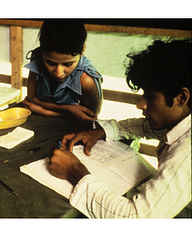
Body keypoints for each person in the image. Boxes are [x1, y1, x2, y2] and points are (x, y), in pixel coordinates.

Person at [48, 39, 191, 218]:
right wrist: (101, 132)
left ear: (181, 97)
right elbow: (145, 127)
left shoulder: (186, 154)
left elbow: (134, 219)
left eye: (151, 96)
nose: (141, 104)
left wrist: (75, 171)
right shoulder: (181, 120)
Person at [22, 19, 103, 122]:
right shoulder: (37, 57)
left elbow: (89, 118)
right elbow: (31, 99)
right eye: (50, 63)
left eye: (68, 64)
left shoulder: (86, 79)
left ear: (82, 50)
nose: (58, 73)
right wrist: (68, 108)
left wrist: (41, 110)